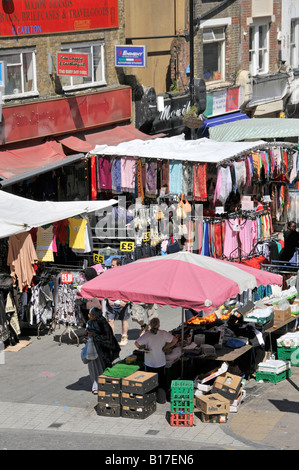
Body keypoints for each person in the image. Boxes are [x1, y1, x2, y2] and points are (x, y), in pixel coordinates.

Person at [134, 317, 178, 404]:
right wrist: (165, 347)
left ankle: (150, 399)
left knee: (149, 382)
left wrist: (143, 348)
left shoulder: (147, 335)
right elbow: (175, 340)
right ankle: (161, 400)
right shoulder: (163, 333)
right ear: (159, 325)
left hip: (149, 363)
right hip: (160, 362)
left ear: (150, 325)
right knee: (161, 382)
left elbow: (136, 343)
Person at [84, 307, 121, 394]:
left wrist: (94, 335)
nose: (88, 315)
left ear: (95, 316)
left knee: (103, 368)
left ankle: (106, 385)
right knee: (93, 369)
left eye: (90, 314)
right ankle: (95, 386)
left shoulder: (103, 323)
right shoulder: (89, 322)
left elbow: (107, 338)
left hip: (102, 352)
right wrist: (86, 337)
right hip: (92, 350)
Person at [102, 257, 131, 346]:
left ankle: (124, 337)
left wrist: (126, 301)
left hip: (123, 302)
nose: (111, 267)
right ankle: (112, 339)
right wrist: (108, 299)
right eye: (111, 265)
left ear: (119, 265)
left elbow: (129, 289)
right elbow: (105, 288)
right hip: (111, 302)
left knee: (124, 320)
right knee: (110, 320)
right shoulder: (108, 275)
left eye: (113, 265)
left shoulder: (125, 276)